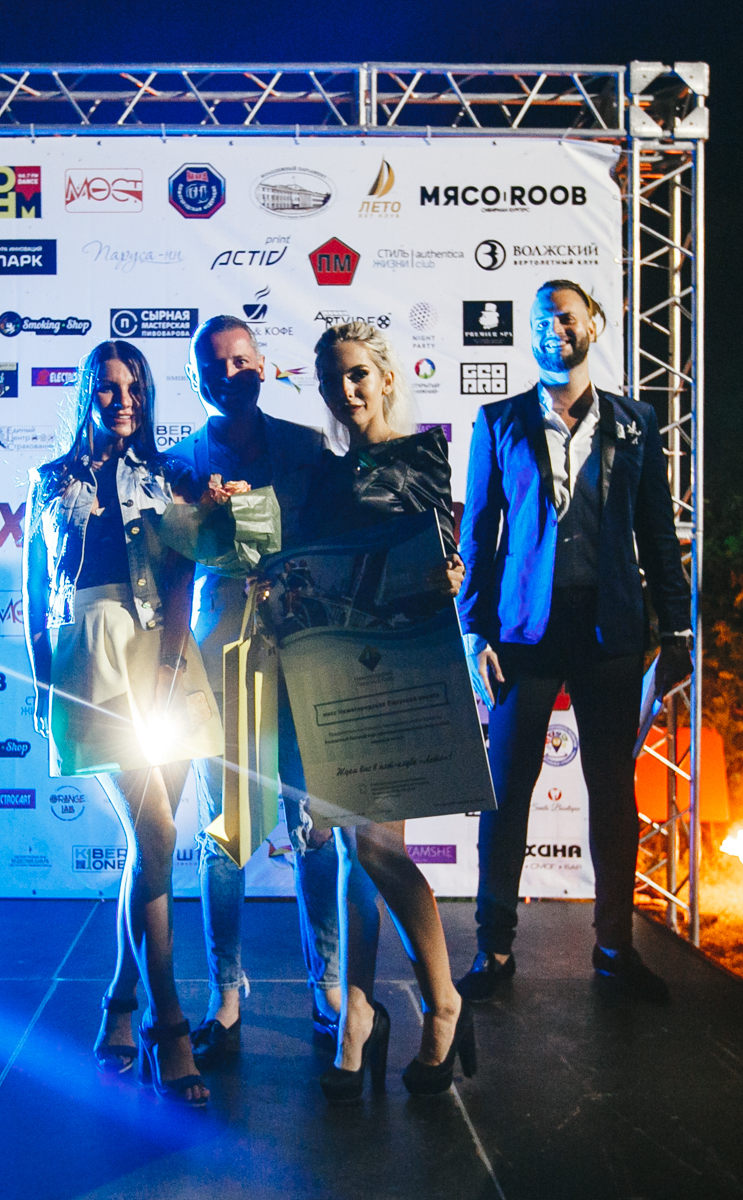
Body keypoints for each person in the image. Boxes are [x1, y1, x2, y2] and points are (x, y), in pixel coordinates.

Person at [456, 279, 692, 1005]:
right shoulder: (498, 420)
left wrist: (678, 630)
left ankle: (615, 947)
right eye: (539, 321)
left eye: (564, 316)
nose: (552, 329)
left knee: (613, 792)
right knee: (506, 793)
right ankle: (494, 948)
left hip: (610, 628)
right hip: (521, 634)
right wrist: (472, 628)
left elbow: (658, 534)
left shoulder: (636, 421)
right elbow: (478, 535)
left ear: (595, 323)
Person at [24, 340, 231, 1106]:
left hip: (164, 658)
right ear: (87, 393)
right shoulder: (49, 480)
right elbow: (34, 592)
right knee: (158, 838)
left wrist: (173, 665)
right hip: (92, 663)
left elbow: (185, 575)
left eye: (134, 387)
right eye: (109, 388)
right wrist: (44, 686)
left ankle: (120, 1001)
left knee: (151, 848)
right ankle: (167, 1022)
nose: (123, 400)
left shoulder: (170, 475)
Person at [301, 320, 474, 1101]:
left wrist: (450, 573)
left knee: (374, 846)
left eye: (359, 374)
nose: (347, 390)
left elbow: (442, 557)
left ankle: (442, 1005)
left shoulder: (422, 457)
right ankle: (358, 1018)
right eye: (334, 378)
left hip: (403, 666)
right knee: (352, 851)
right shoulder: (321, 475)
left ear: (387, 377)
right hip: (333, 669)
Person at [168, 315, 345, 1064]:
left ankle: (328, 985)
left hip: (304, 652)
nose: (230, 374)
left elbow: (339, 544)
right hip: (221, 657)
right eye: (214, 365)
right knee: (225, 833)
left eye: (242, 360)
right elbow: (167, 575)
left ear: (264, 366)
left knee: (315, 826)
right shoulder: (178, 463)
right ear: (195, 378)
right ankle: (226, 992)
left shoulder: (307, 448)